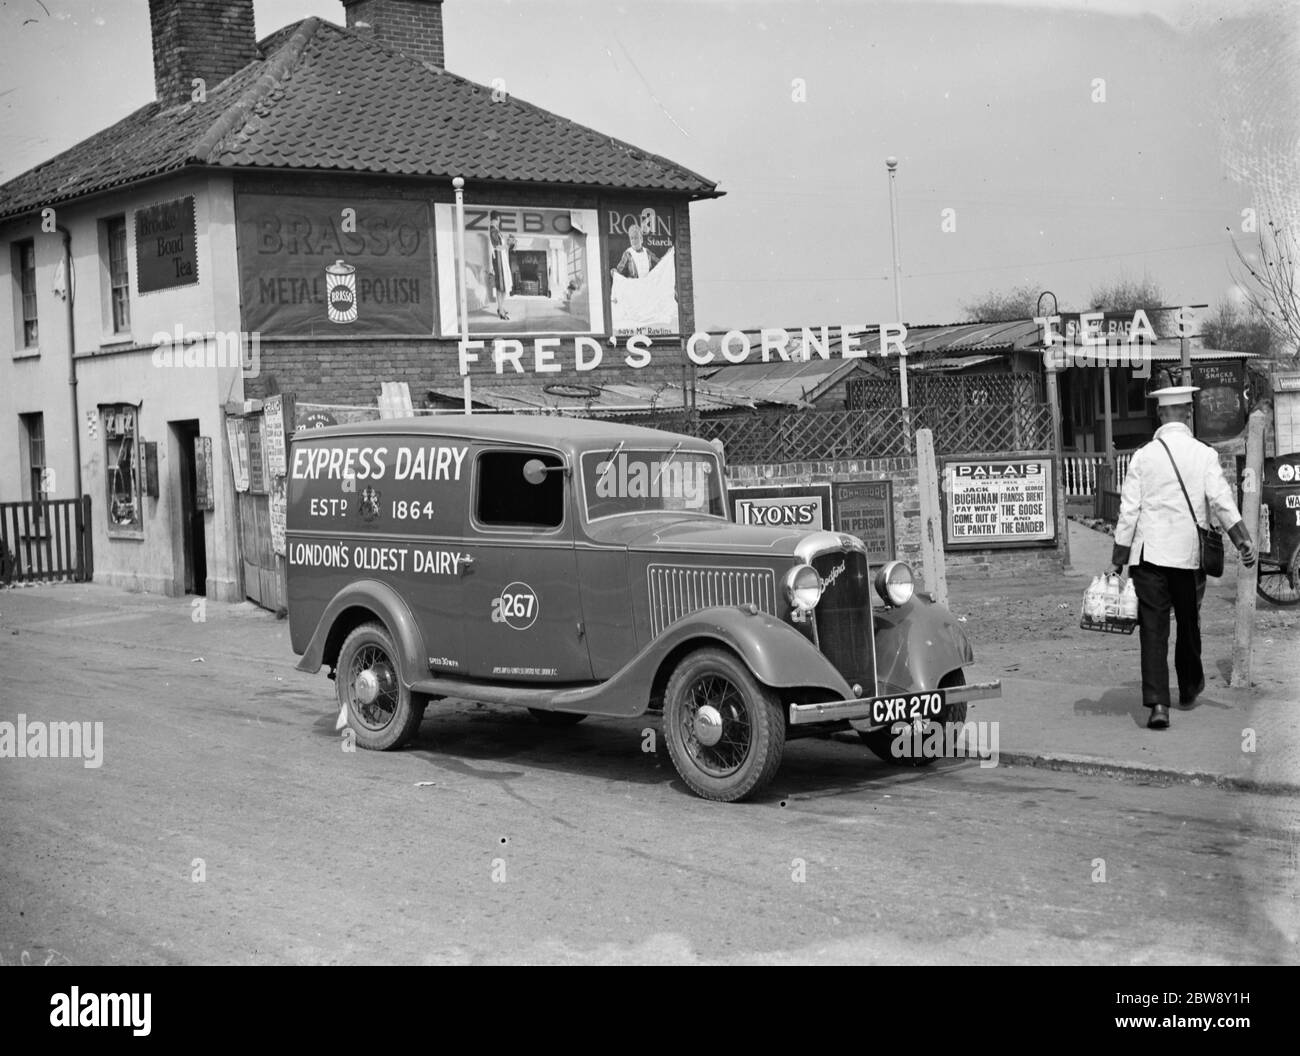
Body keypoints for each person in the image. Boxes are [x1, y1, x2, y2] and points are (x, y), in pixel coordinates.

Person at [1109, 384, 1256, 729]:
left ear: (1161, 414)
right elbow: (1220, 500)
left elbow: (1129, 511)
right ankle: (1188, 689)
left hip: (1147, 556)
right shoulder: (1203, 455)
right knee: (1188, 625)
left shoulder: (1143, 455)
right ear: (1187, 414)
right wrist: (1242, 539)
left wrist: (1118, 558)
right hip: (1187, 558)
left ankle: (1158, 705)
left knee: (1153, 630)